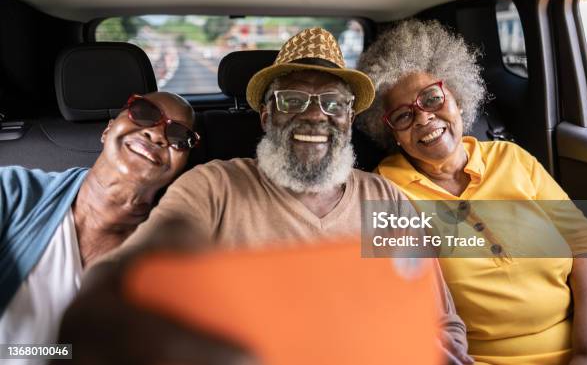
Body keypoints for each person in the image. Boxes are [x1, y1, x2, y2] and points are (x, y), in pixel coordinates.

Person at [59, 27, 472, 364]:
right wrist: (118, 295)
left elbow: (442, 324)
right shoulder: (213, 188)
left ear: (349, 118)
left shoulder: (386, 197)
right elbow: (132, 274)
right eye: (292, 100)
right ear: (267, 115)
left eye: (333, 103)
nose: (315, 114)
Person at [356, 19, 587, 365]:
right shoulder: (384, 191)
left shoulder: (513, 158)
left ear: (458, 99)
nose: (423, 118)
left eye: (432, 98)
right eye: (403, 116)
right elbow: (398, 308)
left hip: (584, 344)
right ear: (393, 135)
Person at [0, 92, 199, 349]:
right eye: (143, 113)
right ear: (107, 130)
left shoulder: (167, 259)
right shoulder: (12, 191)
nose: (158, 135)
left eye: (180, 137)